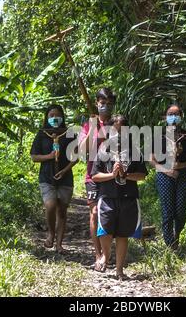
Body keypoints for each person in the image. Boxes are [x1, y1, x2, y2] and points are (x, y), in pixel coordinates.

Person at [91, 115, 148, 280]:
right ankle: (106, 256)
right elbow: (95, 176)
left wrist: (125, 174)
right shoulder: (103, 150)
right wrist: (112, 174)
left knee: (123, 235)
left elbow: (142, 175)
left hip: (128, 197)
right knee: (105, 231)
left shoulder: (134, 150)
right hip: (107, 197)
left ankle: (119, 270)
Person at [150, 104, 186, 250]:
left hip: (183, 175)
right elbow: (151, 159)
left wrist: (179, 166)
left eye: (176, 114)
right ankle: (171, 244)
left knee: (180, 210)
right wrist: (166, 170)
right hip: (164, 176)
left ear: (181, 117)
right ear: (165, 117)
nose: (173, 116)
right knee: (167, 210)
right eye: (170, 114)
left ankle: (177, 234)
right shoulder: (158, 136)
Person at [30, 104, 77, 254]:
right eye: (51, 116)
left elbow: (76, 157)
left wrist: (64, 171)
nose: (54, 118)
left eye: (57, 115)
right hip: (46, 176)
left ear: (62, 117)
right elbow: (34, 156)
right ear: (46, 117)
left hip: (65, 177)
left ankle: (59, 244)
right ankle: (50, 233)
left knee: (62, 210)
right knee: (50, 206)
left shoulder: (69, 134)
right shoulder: (42, 134)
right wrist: (49, 157)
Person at [78, 87, 115, 267]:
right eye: (102, 104)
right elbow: (81, 150)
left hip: (112, 174)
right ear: (96, 103)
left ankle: (108, 252)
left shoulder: (117, 124)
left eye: (108, 104)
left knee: (109, 213)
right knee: (94, 213)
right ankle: (98, 254)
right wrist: (93, 129)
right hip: (93, 174)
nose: (105, 107)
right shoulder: (88, 125)